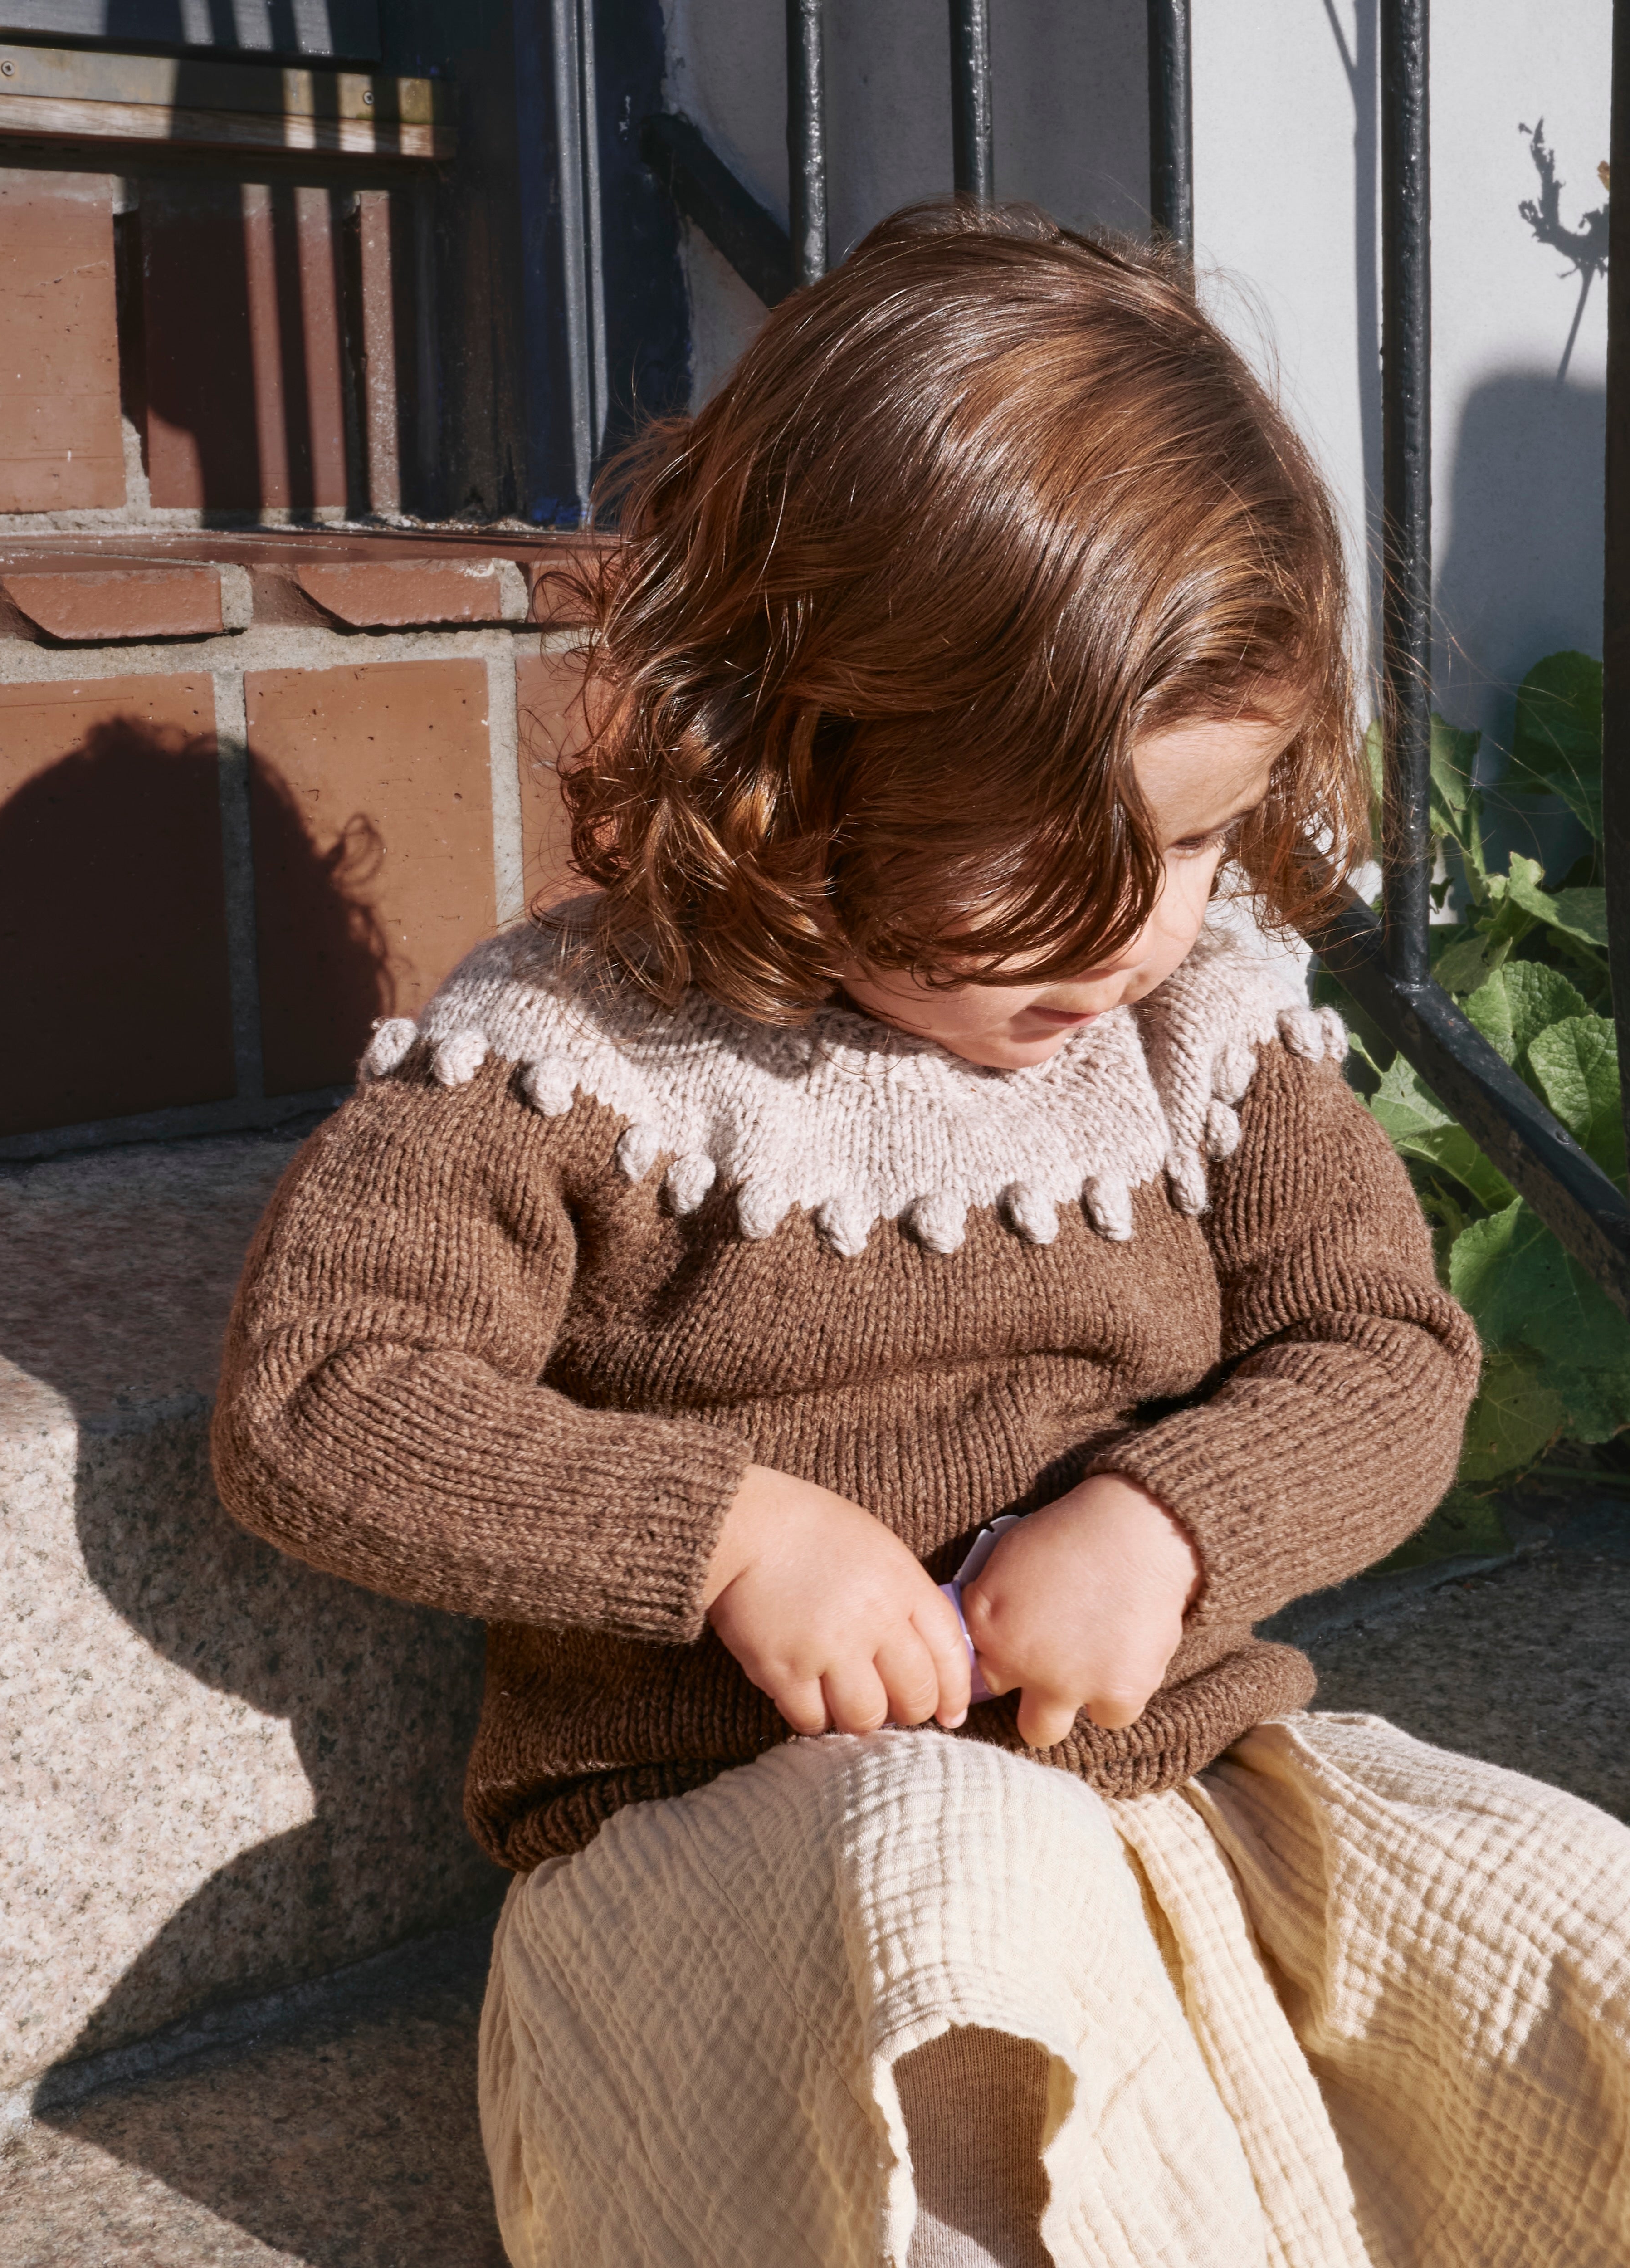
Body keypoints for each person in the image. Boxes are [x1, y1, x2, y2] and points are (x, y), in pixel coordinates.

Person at [210, 204, 1630, 2267]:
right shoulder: (575, 1058)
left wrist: (1167, 1518)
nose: (1133, 920)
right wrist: (716, 1529)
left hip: (1188, 1797)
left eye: (1200, 831)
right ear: (793, 743)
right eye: (1047, 845)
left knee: (1560, 1918)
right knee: (963, 1917)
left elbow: (1383, 1347)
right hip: (763, 1861)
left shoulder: (1197, 1028)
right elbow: (322, 1392)